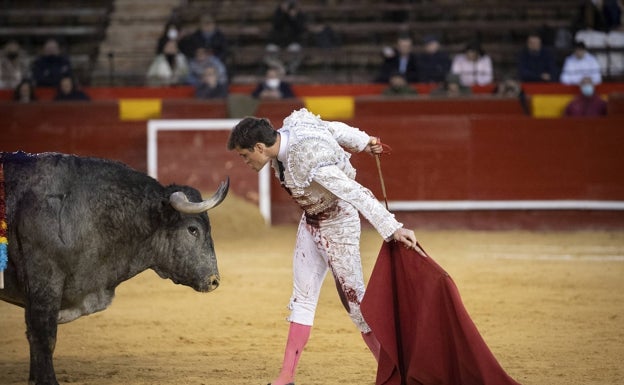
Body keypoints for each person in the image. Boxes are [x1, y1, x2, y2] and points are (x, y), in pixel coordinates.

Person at [226, 108, 418, 385]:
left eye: (245, 155)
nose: (245, 161)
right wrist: (365, 141)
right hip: (311, 219)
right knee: (302, 297)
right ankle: (286, 377)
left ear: (259, 147)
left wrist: (393, 227)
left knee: (357, 306)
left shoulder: (309, 159)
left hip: (339, 223)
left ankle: (396, 374)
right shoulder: (295, 126)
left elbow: (354, 191)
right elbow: (333, 129)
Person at [265, 0, 308, 75]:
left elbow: (301, 29)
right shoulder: (278, 12)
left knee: (297, 52)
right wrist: (282, 12)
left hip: (292, 41)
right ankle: (281, 69)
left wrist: (293, 17)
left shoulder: (299, 14)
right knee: (268, 53)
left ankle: (289, 70)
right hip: (277, 41)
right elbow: (276, 25)